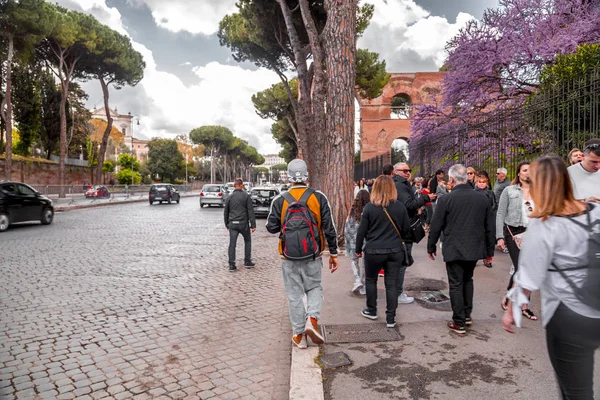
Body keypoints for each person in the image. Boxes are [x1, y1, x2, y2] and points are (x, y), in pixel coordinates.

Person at [502, 155, 600, 399]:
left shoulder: (545, 224)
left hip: (569, 314)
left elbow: (529, 277)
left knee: (576, 392)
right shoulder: (596, 211)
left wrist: (512, 308)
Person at [266, 159, 338, 349]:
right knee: (314, 287)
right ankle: (312, 319)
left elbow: (271, 228)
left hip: (287, 256)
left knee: (294, 295)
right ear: (307, 174)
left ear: (288, 176)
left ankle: (299, 335)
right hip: (313, 254)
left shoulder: (280, 199)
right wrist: (333, 253)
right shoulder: (319, 197)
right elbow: (330, 228)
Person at [427, 164, 495, 334]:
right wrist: (489, 252)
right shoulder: (482, 198)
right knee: (467, 279)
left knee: (456, 283)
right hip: (474, 247)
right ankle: (466, 314)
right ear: (467, 178)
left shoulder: (446, 199)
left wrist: (431, 245)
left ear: (451, 179)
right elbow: (489, 227)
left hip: (454, 247)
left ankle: (459, 321)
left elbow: (436, 225)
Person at [355, 175, 411, 328]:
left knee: (371, 280)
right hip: (394, 250)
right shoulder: (400, 206)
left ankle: (372, 310)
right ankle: (391, 318)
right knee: (391, 284)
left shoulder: (370, 208)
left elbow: (361, 232)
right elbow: (406, 229)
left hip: (373, 250)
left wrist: (358, 249)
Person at [496, 162, 537, 320]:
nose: (528, 173)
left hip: (532, 233)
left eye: (530, 171)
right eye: (525, 170)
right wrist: (500, 236)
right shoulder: (509, 190)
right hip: (513, 232)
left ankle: (525, 306)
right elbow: (500, 213)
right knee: (521, 268)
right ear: (519, 173)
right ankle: (509, 295)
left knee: (529, 269)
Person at [393, 162, 436, 304]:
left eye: (409, 170)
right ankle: (397, 294)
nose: (407, 172)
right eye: (404, 170)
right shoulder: (400, 185)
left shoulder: (401, 184)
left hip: (403, 227)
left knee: (401, 262)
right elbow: (408, 205)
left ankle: (396, 292)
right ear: (396, 171)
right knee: (402, 263)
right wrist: (425, 198)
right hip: (405, 229)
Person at [224, 178, 256, 272]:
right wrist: (253, 225)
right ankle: (247, 261)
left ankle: (232, 265)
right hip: (243, 224)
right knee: (247, 241)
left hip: (232, 224)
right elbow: (250, 211)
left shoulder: (229, 197)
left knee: (232, 244)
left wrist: (227, 224)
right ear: (241, 185)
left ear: (234, 185)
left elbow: (226, 212)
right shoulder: (246, 196)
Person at [345, 190, 371, 295]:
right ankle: (364, 285)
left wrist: (347, 240)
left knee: (353, 260)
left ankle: (357, 280)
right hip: (367, 240)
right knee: (366, 263)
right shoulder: (369, 210)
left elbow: (347, 226)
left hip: (353, 239)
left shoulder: (352, 212)